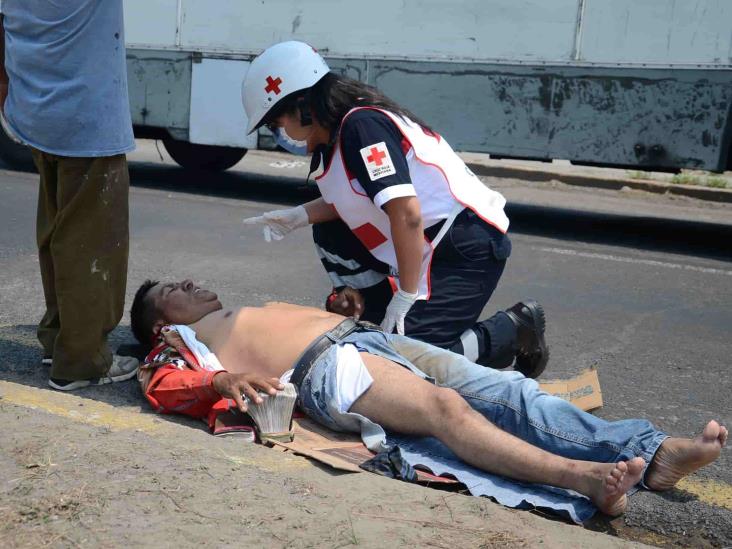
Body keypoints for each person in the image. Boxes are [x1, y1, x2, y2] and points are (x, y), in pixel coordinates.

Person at [129, 278, 727, 518]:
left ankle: (653, 452)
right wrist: (218, 381)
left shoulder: (238, 309)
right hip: (329, 368)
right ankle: (587, 479)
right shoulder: (177, 344)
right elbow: (160, 385)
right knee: (449, 413)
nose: (188, 284)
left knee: (507, 388)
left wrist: (338, 309)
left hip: (366, 339)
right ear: (160, 323)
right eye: (171, 291)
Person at [241, 41, 547, 378]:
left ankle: (512, 329)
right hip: (429, 246)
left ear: (304, 106)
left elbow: (407, 214)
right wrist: (298, 216)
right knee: (330, 233)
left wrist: (406, 295)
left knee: (404, 366)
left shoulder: (362, 127)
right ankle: (375, 315)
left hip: (465, 247)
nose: (278, 133)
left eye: (275, 122)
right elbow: (347, 202)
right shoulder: (336, 143)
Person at [0, 0, 139, 390]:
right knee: (93, 246)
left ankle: (59, 338)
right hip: (88, 118)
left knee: (58, 232)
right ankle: (82, 362)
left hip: (34, 110)